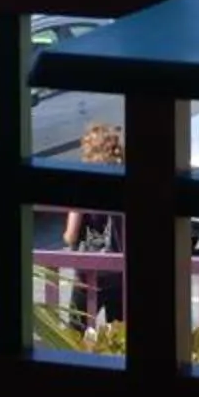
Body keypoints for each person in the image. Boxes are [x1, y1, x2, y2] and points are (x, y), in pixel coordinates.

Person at [62, 119, 125, 333]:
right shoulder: (123, 188)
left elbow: (70, 237)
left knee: (75, 333)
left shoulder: (83, 189)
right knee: (118, 337)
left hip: (88, 274)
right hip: (119, 275)